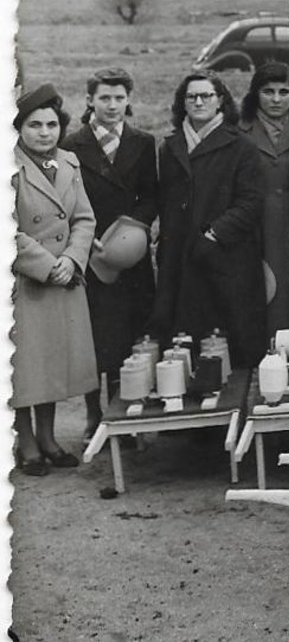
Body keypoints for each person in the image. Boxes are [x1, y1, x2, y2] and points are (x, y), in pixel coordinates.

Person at [62, 68, 158, 440]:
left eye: (119, 98)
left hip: (129, 254)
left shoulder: (142, 142)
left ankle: (125, 413)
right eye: (105, 98)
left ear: (129, 100)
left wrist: (134, 229)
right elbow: (67, 200)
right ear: (90, 101)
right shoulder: (72, 145)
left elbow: (151, 195)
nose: (113, 105)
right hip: (90, 254)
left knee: (130, 333)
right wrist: (85, 239)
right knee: (94, 336)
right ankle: (92, 414)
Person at [152, 71, 266, 367]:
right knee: (185, 344)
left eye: (206, 96)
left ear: (221, 102)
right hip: (180, 258)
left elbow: (251, 202)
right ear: (183, 103)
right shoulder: (170, 148)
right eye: (191, 96)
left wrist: (214, 234)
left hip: (226, 257)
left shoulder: (241, 147)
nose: (199, 101)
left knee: (229, 343)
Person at [12, 84, 98, 474]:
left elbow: (84, 218)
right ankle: (26, 442)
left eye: (51, 124)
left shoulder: (69, 163)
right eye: (34, 125)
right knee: (25, 366)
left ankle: (48, 437)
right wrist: (47, 265)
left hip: (64, 278)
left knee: (51, 365)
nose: (44, 133)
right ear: (18, 127)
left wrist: (72, 260)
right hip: (25, 282)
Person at [241, 62, 289, 335]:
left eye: (284, 92)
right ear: (255, 94)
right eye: (268, 91)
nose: (275, 99)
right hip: (256, 230)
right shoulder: (240, 131)